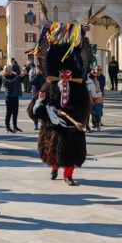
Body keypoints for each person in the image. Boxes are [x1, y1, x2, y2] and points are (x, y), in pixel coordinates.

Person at [28, 20, 95, 185]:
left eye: (68, 71)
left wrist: (78, 118)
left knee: (72, 152)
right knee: (53, 151)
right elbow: (34, 109)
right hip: (54, 126)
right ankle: (54, 168)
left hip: (72, 127)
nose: (65, 74)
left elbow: (85, 106)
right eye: (62, 71)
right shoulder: (48, 86)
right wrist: (44, 107)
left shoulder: (80, 87)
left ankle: (68, 175)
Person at [2, 64, 26, 133]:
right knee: (9, 112)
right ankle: (7, 127)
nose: (11, 71)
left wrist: (23, 75)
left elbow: (19, 80)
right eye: (9, 70)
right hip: (9, 96)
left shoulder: (14, 75)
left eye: (11, 69)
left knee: (15, 112)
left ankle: (15, 126)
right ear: (6, 70)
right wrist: (19, 76)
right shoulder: (4, 77)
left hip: (15, 95)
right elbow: (11, 83)